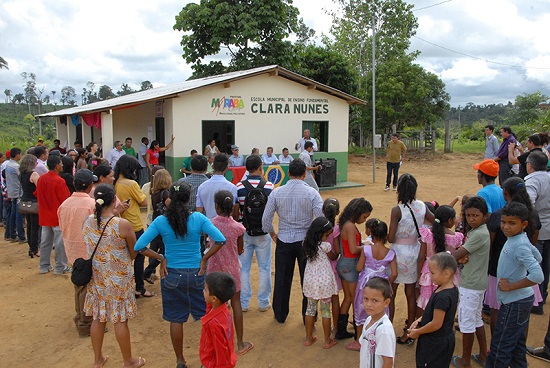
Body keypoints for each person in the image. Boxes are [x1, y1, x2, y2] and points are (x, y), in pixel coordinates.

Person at [134, 182, 226, 368]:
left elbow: (139, 247)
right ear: (188, 199)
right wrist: (204, 259)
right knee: (206, 318)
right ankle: (207, 359)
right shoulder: (198, 218)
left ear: (170, 199)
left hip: (172, 275)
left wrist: (161, 258)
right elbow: (220, 240)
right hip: (197, 273)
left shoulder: (161, 221)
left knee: (176, 319)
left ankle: (180, 360)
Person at [82, 184, 144, 368]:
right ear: (114, 200)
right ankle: (128, 361)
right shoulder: (122, 224)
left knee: (98, 317)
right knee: (120, 319)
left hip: (98, 276)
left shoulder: (88, 221)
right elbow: (134, 251)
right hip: (119, 277)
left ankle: (98, 359)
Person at [262, 158, 324, 324]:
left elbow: (266, 220)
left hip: (284, 239)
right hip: (306, 241)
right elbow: (322, 219)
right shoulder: (312, 193)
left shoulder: (276, 192)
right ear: (305, 174)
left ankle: (280, 314)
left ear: (288, 173)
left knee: (282, 279)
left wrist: (273, 234)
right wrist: (315, 237)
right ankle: (308, 317)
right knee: (308, 280)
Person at [486, 202, 543, 367]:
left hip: (514, 303)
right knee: (517, 347)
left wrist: (511, 286)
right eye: (503, 222)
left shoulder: (518, 245)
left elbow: (538, 275)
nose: (505, 227)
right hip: (519, 301)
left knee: (500, 349)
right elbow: (537, 257)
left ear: (524, 224)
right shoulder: (520, 239)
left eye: (512, 223)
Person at [485, 176, 543, 333]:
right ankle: (519, 345)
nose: (506, 226)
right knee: (523, 314)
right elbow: (534, 241)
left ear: (505, 193)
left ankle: (496, 346)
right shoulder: (532, 214)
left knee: (497, 309)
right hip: (523, 271)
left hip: (500, 269)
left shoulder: (499, 216)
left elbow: (491, 244)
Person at [207, 191, 253, 355]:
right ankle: (240, 343)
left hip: (214, 270)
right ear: (232, 207)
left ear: (217, 207)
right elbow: (240, 250)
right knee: (236, 304)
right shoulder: (238, 227)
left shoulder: (210, 224)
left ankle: (216, 346)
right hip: (232, 270)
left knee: (214, 309)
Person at [388, 173, 433, 345]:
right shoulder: (421, 206)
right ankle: (410, 332)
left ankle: (388, 329)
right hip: (415, 252)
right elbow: (434, 220)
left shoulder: (397, 210)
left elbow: (391, 237)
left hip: (398, 254)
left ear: (399, 190)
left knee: (391, 293)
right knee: (411, 293)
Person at [451, 196, 490, 368]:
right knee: (476, 320)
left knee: (467, 323)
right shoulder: (479, 231)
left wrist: (452, 256)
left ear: (485, 216)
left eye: (476, 215)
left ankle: (464, 361)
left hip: (471, 285)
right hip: (477, 282)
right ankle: (483, 354)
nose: (471, 219)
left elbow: (456, 256)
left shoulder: (479, 234)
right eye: (468, 216)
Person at [57, 169, 97, 337]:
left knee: (79, 285)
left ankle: (80, 316)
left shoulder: (64, 204)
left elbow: (61, 226)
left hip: (71, 250)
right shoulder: (91, 205)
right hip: (87, 251)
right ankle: (85, 322)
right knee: (86, 288)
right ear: (89, 186)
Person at [235, 155, 274, 313]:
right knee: (264, 268)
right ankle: (263, 303)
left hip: (245, 231)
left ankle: (244, 304)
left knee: (244, 268)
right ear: (260, 167)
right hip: (264, 232)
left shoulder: (239, 187)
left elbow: (236, 211)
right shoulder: (270, 186)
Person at [408, 252, 459, 368]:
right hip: (440, 341)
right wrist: (420, 319)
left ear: (446, 273)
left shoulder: (443, 298)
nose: (430, 276)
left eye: (432, 273)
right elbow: (434, 314)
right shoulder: (450, 289)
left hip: (435, 344)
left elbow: (436, 323)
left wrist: (418, 332)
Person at [336, 197, 373, 350]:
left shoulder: (345, 224)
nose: (364, 220)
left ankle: (340, 330)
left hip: (344, 263)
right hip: (351, 265)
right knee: (355, 299)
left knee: (348, 298)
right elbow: (353, 249)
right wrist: (367, 246)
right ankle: (345, 329)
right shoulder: (351, 227)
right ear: (358, 213)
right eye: (364, 217)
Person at [353, 219, 397, 348]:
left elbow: (359, 268)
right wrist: (388, 283)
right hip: (381, 282)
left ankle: (360, 341)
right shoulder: (390, 253)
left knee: (362, 308)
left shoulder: (366, 249)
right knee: (379, 309)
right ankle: (377, 341)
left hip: (365, 282)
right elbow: (394, 273)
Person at [114, 155, 151, 297]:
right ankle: (140, 287)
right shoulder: (131, 184)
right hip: (134, 225)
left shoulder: (115, 182)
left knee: (123, 257)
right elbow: (143, 202)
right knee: (140, 256)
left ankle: (124, 287)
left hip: (118, 223)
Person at [417, 205, 463, 311]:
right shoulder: (456, 237)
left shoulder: (427, 234)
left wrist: (418, 276)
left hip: (428, 272)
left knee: (426, 302)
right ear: (450, 220)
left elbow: (420, 257)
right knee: (446, 304)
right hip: (448, 273)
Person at [302, 217, 338, 349]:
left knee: (310, 309)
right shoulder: (326, 246)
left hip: (310, 280)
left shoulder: (306, 244)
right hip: (324, 282)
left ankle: (308, 338)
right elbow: (333, 256)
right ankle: (327, 340)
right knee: (325, 311)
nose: (327, 237)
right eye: (326, 235)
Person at [36, 155, 71, 275]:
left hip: (45, 215)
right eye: (60, 163)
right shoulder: (59, 181)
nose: (62, 165)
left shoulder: (41, 179)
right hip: (57, 216)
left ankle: (44, 266)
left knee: (45, 241)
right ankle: (60, 267)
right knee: (59, 243)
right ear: (57, 166)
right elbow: (65, 200)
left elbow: (37, 194)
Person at [525, 151, 550, 314]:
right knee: (545, 266)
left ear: (530, 165)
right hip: (548, 227)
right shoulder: (548, 177)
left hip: (538, 230)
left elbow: (529, 205)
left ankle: (535, 302)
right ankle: (542, 296)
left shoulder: (532, 181)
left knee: (535, 266)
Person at [200, 272, 238, 368]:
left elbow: (220, 349)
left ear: (214, 298)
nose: (203, 291)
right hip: (225, 358)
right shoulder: (224, 310)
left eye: (205, 290)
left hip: (213, 363)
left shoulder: (213, 324)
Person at [359, 277, 396, 368]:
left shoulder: (383, 330)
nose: (369, 304)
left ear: (386, 302)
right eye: (366, 299)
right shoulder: (369, 320)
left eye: (375, 300)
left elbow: (388, 363)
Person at [143, 169, 172, 284]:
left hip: (154, 221)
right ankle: (148, 271)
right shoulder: (165, 193)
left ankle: (149, 271)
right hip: (163, 223)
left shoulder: (154, 192)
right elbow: (171, 205)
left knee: (156, 247)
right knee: (164, 250)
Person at [322, 198, 344, 339]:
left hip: (319, 269)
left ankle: (312, 331)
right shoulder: (336, 229)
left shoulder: (318, 226)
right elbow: (336, 252)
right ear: (338, 212)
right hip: (333, 268)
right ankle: (335, 329)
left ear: (323, 210)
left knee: (322, 301)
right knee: (335, 299)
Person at [196, 153, 238, 219]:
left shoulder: (202, 187)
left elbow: (199, 212)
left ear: (213, 166)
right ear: (227, 168)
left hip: (208, 226)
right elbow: (232, 212)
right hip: (226, 226)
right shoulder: (232, 187)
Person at [18, 154, 40, 257]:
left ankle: (31, 247)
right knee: (35, 226)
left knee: (30, 226)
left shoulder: (22, 174)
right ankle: (34, 248)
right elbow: (40, 188)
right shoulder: (33, 174)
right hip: (34, 202)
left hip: (25, 201)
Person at [4, 148, 25, 243]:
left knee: (13, 214)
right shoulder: (16, 167)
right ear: (17, 155)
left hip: (12, 192)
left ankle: (12, 234)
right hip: (18, 193)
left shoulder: (7, 165)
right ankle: (21, 236)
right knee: (19, 215)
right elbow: (21, 178)